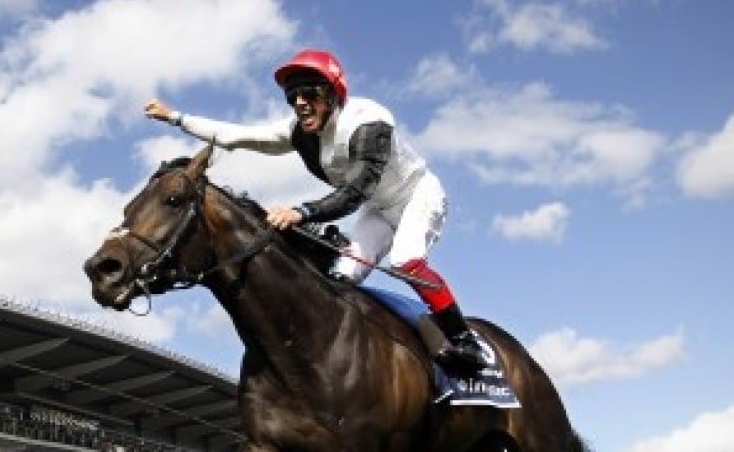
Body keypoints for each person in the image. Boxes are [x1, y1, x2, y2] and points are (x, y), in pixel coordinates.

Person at [145, 48, 488, 369]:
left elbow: (356, 189)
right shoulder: (297, 133)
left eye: (310, 93)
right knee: (340, 277)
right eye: (293, 96)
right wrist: (176, 117)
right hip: (379, 209)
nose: (300, 103)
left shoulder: (368, 121)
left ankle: (464, 340)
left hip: (417, 196)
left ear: (333, 94)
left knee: (405, 262)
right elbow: (236, 136)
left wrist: (303, 212)